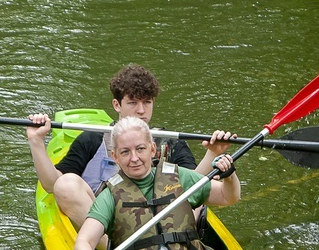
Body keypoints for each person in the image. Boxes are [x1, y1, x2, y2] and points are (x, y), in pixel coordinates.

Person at [26, 64, 233, 228]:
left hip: (162, 226)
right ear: (117, 105)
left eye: (147, 102)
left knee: (197, 203)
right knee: (66, 184)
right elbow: (52, 186)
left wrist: (212, 154)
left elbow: (193, 187)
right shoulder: (92, 139)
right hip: (107, 227)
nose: (141, 110)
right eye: (133, 103)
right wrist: (36, 142)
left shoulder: (171, 143)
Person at [73, 116, 240, 250]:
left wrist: (229, 175)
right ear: (115, 157)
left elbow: (228, 197)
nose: (134, 158)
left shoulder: (179, 176)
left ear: (152, 149)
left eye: (140, 149)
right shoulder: (109, 196)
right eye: (125, 152)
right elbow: (82, 244)